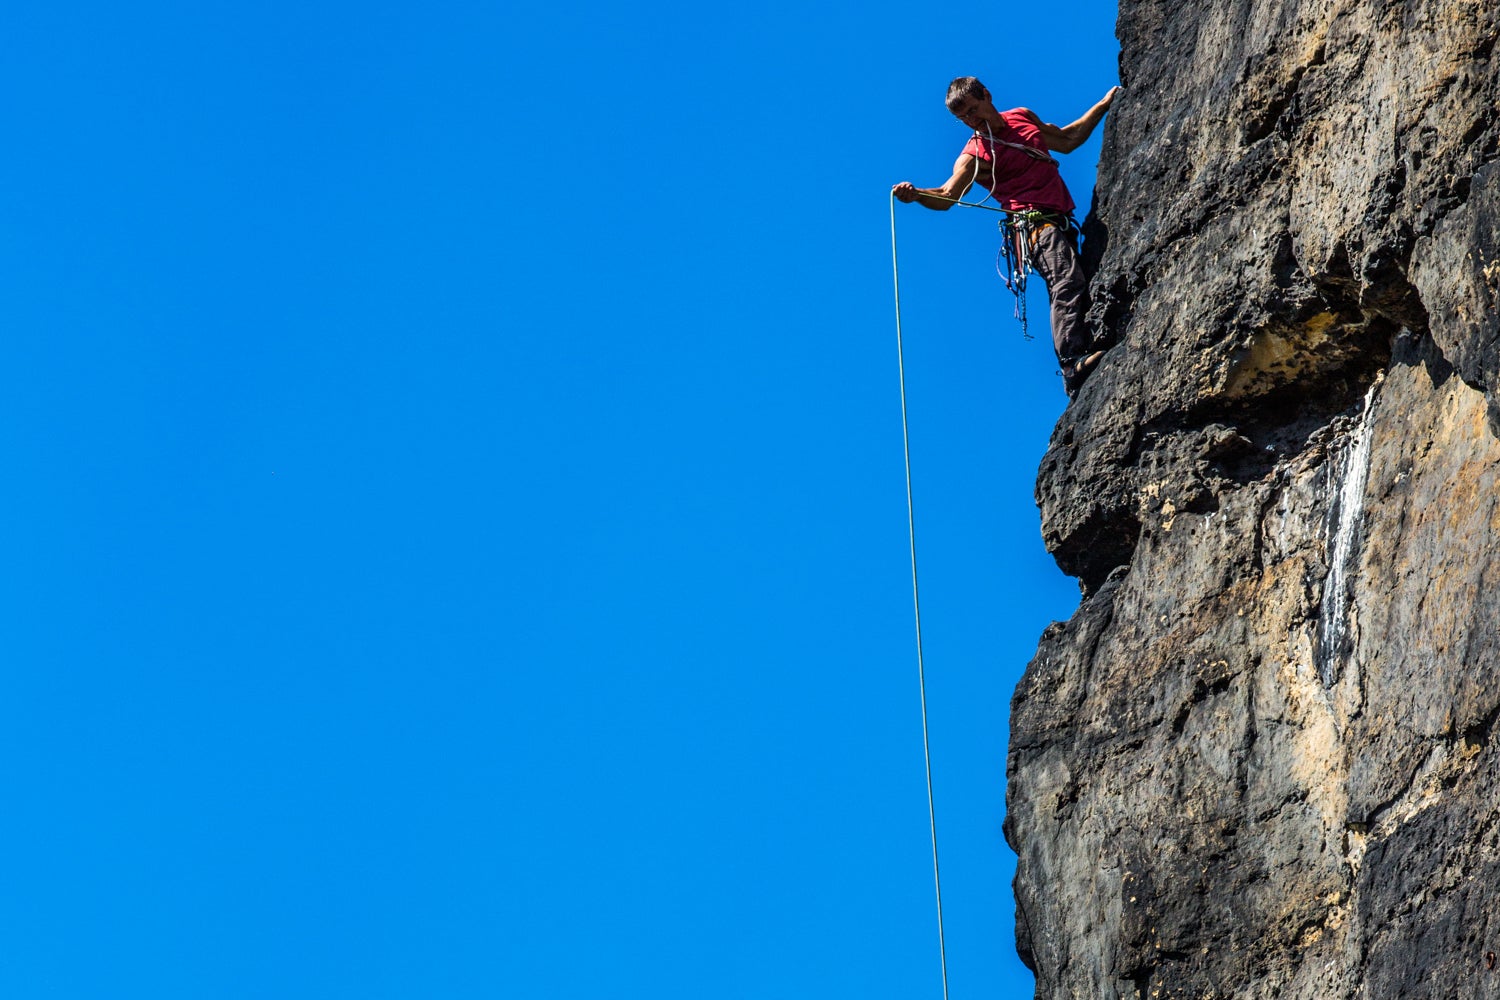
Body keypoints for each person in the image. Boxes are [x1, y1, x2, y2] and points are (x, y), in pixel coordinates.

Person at [893, 78, 1119, 397]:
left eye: (974, 110)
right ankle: (1071, 362)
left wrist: (1104, 106)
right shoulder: (975, 154)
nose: (973, 120)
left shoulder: (1021, 117)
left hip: (1060, 220)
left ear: (987, 95)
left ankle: (1083, 347)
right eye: (965, 118)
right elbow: (947, 195)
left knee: (1079, 279)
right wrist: (916, 195)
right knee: (1066, 280)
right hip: (1033, 226)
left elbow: (1067, 139)